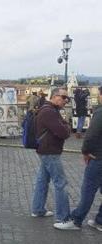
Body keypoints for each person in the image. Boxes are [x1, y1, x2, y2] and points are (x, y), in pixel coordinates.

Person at [56, 86, 102, 231]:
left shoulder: (100, 113)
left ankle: (76, 220)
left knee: (88, 190)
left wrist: (85, 152)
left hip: (98, 158)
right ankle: (100, 220)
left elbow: (91, 135)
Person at [30, 87, 72, 228]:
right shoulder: (49, 111)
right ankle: (63, 218)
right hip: (50, 151)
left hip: (46, 150)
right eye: (64, 97)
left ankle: (37, 209)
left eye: (67, 98)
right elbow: (64, 132)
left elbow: (62, 128)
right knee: (61, 183)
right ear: (54, 96)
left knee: (42, 180)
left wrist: (64, 125)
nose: (66, 100)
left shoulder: (49, 110)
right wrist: (66, 125)